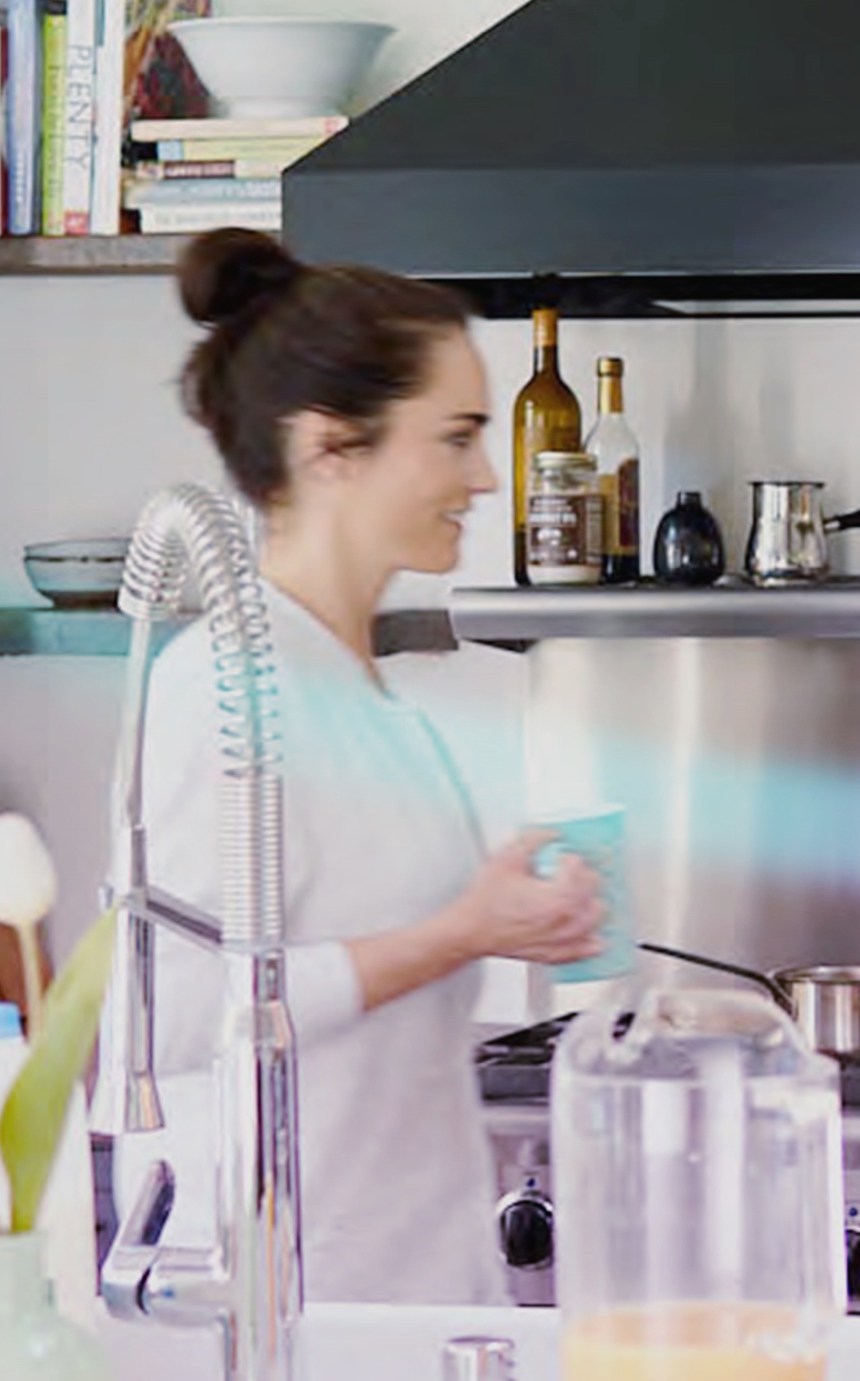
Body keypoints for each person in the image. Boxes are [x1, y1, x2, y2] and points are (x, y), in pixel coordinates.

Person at [121, 228, 605, 1303]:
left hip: (423, 1291)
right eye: (457, 437)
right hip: (306, 1310)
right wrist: (459, 933)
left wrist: (505, 915)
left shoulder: (377, 702)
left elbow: (376, 975)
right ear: (333, 446)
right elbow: (168, 1018)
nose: (486, 476)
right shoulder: (224, 686)